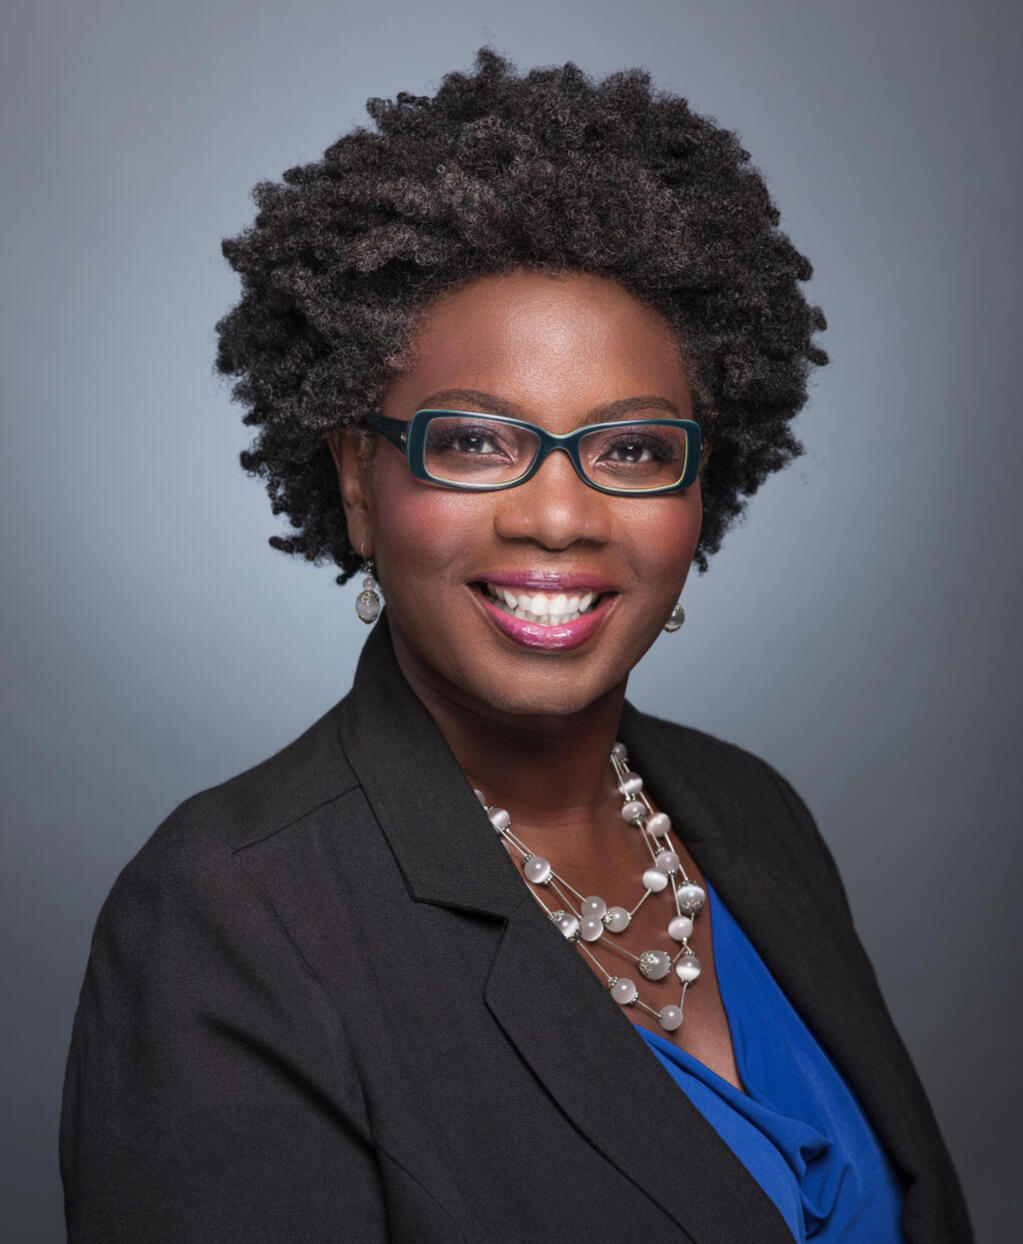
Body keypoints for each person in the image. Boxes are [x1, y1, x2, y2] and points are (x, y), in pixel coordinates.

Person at [58, 49, 973, 1243]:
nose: (559, 513)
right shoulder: (229, 919)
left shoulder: (753, 816)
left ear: (703, 482)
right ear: (357, 481)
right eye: (477, 442)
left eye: (634, 449)